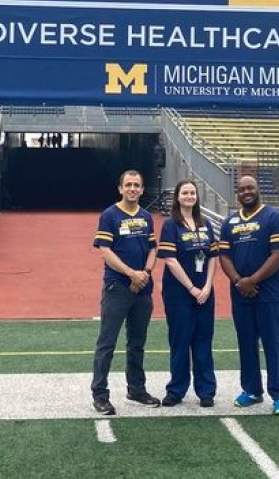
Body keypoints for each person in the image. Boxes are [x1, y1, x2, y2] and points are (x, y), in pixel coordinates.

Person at [219, 175, 279, 415]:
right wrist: (240, 281)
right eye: (241, 189)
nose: (246, 192)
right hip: (240, 293)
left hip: (268, 293)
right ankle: (252, 390)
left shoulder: (274, 217)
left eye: (250, 187)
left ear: (258, 189)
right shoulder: (229, 222)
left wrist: (254, 280)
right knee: (246, 343)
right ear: (237, 194)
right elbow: (224, 257)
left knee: (274, 344)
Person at [91, 170, 162, 415]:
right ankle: (100, 394)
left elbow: (154, 249)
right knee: (107, 343)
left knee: (137, 343)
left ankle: (136, 389)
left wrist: (144, 273)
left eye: (137, 185)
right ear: (120, 188)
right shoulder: (109, 215)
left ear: (142, 190)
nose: (133, 189)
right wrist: (132, 274)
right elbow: (105, 251)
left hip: (142, 288)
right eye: (128, 185)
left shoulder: (146, 217)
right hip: (117, 287)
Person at [157, 180, 219, 408]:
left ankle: (206, 391)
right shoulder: (171, 225)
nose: (189, 196)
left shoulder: (206, 223)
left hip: (204, 292)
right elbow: (170, 260)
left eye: (192, 192)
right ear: (177, 197)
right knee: (180, 341)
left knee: (203, 341)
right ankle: (176, 389)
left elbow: (213, 257)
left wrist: (207, 286)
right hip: (179, 293)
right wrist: (191, 288)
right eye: (185, 193)